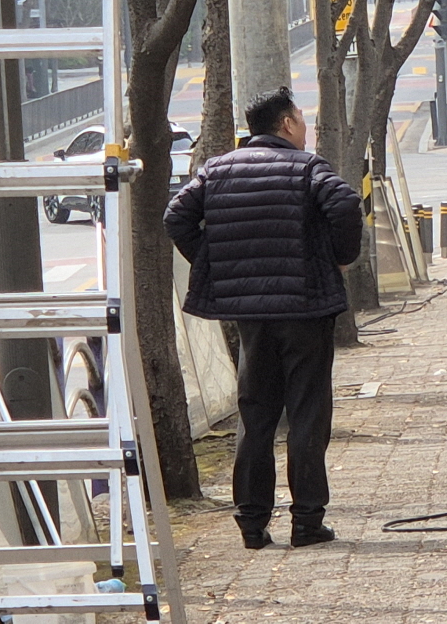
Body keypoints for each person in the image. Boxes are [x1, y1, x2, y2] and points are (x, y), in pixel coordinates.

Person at [163, 86, 364, 550]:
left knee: (256, 418)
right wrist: (339, 258)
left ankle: (251, 526)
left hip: (250, 314)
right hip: (305, 308)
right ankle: (307, 522)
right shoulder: (308, 167)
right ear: (287, 124)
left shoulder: (216, 170)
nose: (305, 127)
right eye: (301, 118)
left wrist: (217, 265)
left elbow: (177, 217)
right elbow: (346, 204)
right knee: (308, 415)